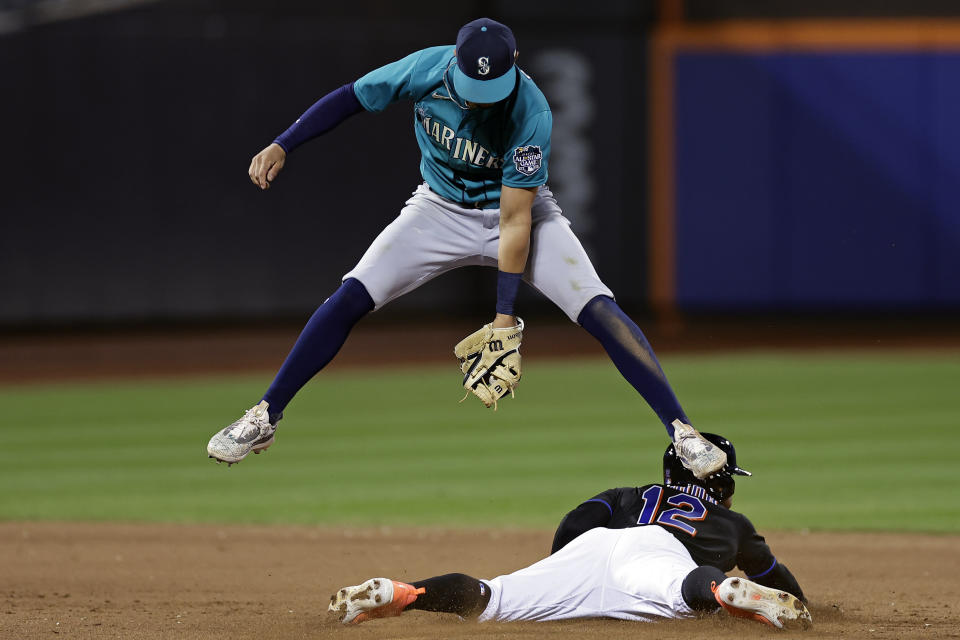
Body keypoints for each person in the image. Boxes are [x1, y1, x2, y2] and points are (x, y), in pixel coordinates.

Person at [205, 17, 725, 480]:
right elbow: (351, 97)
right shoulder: (425, 69)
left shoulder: (531, 112)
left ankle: (681, 429)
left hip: (520, 214)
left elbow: (515, 218)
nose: (482, 95)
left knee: (598, 306)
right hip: (437, 211)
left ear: (515, 66)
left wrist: (504, 320)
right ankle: (265, 415)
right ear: (455, 63)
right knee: (350, 296)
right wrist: (283, 142)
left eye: (493, 84)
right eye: (474, 83)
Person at [327, 434, 812, 629]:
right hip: (658, 554)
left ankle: (404, 592)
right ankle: (722, 590)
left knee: (489, 596)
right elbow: (775, 573)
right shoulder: (733, 522)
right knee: (686, 589)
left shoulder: (630, 493)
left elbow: (576, 523)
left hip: (591, 549)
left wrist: (561, 567)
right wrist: (800, 602)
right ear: (722, 482)